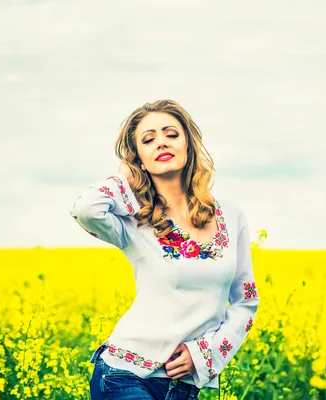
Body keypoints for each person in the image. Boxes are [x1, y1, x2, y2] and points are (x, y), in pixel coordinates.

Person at [70, 99, 259, 400]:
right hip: (123, 375)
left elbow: (245, 302)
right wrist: (125, 180)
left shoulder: (231, 216)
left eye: (171, 134)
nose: (161, 142)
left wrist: (205, 354)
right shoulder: (134, 219)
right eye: (148, 139)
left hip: (184, 386)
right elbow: (85, 210)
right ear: (140, 160)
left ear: (188, 145)